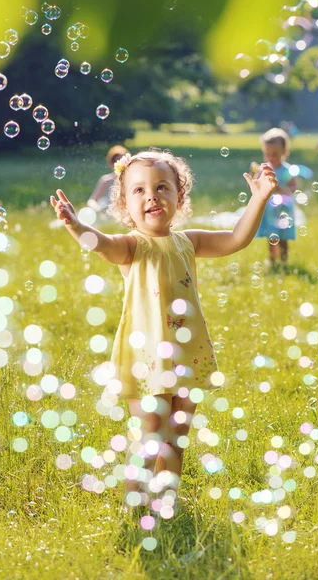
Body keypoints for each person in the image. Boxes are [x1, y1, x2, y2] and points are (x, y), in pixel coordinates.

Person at [50, 148, 278, 515]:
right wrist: (77, 227)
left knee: (178, 431)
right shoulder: (131, 246)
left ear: (179, 196)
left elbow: (237, 238)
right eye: (138, 190)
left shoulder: (190, 241)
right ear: (125, 204)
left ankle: (166, 499)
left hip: (186, 352)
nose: (151, 196)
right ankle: (135, 501)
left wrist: (259, 199)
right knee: (153, 428)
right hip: (147, 356)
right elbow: (103, 245)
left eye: (161, 187)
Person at [252, 128, 298, 267]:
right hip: (269, 210)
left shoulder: (288, 171)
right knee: (271, 237)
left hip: (284, 209)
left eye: (275, 154)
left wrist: (280, 189)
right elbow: (256, 188)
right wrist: (255, 178)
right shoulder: (263, 170)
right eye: (267, 154)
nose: (271, 158)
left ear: (285, 152)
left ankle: (284, 260)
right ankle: (272, 259)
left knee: (283, 237)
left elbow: (293, 189)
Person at [87, 145, 130, 214]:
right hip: (107, 214)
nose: (120, 164)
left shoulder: (132, 181)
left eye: (122, 161)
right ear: (111, 163)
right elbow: (92, 201)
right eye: (116, 161)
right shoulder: (106, 180)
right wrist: (97, 208)